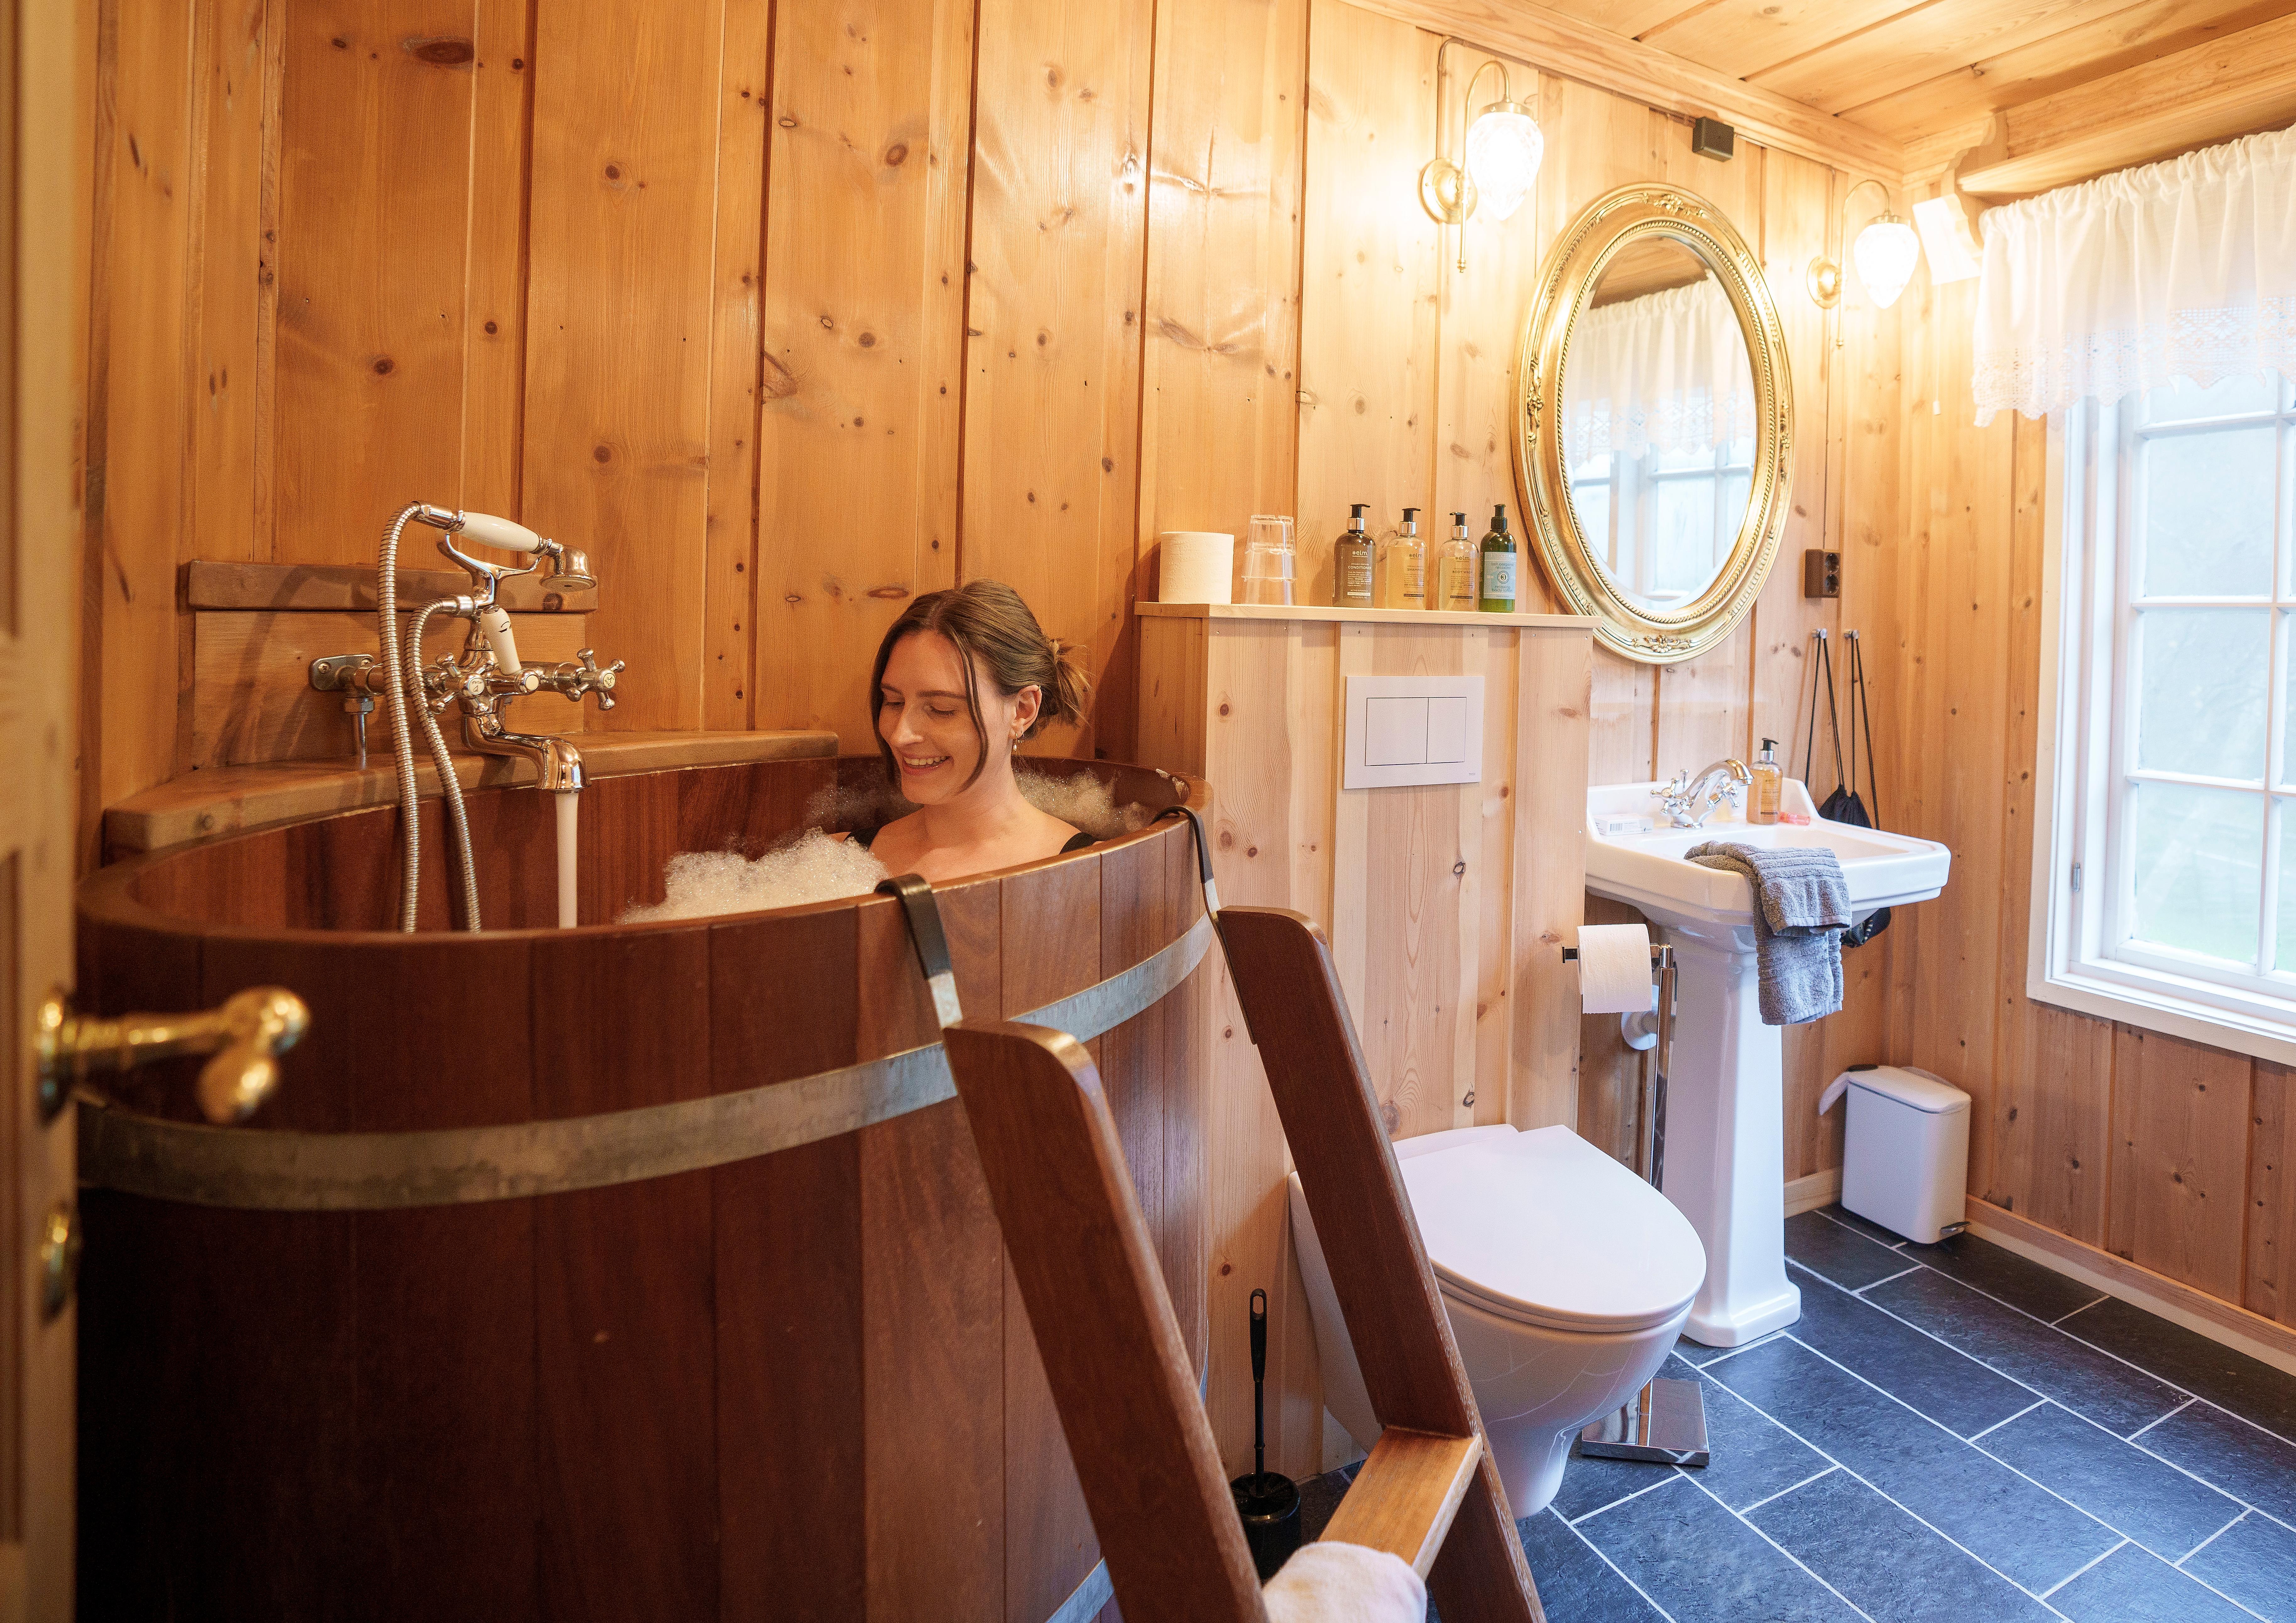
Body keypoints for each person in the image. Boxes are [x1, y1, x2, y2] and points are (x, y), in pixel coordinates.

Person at [859, 580, 1094, 883]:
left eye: (942, 709)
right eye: (893, 702)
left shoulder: (1091, 872)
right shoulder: (841, 861)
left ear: (1023, 710)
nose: (899, 735)